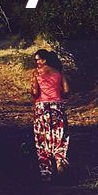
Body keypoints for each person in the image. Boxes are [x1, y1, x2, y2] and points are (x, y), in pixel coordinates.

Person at [30, 49, 70, 181]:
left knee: (42, 138)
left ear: (44, 60)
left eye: (38, 59)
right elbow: (66, 91)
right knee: (59, 136)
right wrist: (56, 93)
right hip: (57, 107)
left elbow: (35, 92)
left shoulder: (36, 73)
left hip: (42, 108)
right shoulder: (59, 72)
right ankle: (59, 161)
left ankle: (46, 172)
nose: (36, 62)